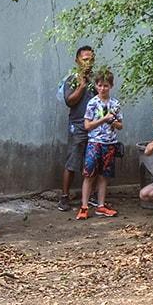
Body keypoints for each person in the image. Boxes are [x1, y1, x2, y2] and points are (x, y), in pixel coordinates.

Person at [77, 69, 123, 219]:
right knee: (89, 175)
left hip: (109, 143)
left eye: (105, 86)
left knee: (104, 176)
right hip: (95, 143)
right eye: (100, 85)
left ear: (111, 86)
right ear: (96, 86)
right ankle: (84, 206)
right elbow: (87, 125)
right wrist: (104, 118)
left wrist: (114, 122)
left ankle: (101, 205)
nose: (102, 89)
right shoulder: (92, 103)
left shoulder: (115, 104)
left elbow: (120, 125)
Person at [58, 45, 95, 211]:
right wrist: (81, 86)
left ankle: (90, 196)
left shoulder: (96, 80)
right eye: (85, 60)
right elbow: (70, 101)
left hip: (95, 127)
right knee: (72, 162)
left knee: (93, 162)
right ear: (77, 61)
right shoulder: (72, 80)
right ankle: (64, 196)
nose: (88, 63)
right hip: (78, 126)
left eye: (91, 60)